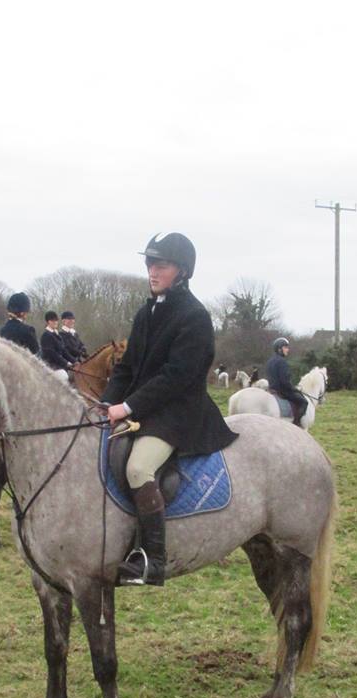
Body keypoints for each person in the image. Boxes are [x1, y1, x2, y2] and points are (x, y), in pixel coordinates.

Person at [101, 231, 237, 587]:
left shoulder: (195, 316)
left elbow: (177, 377)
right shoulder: (146, 312)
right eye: (150, 264)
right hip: (145, 409)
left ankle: (153, 561)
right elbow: (126, 368)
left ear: (182, 271)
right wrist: (106, 403)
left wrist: (128, 406)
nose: (152, 271)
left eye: (161, 265)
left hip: (179, 413)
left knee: (138, 468)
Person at [265, 337, 307, 426]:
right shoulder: (282, 362)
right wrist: (294, 389)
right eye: (285, 347)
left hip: (271, 389)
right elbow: (284, 381)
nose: (288, 350)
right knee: (304, 402)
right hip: (282, 391)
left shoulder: (270, 361)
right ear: (279, 349)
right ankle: (296, 423)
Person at [40, 310, 76, 381]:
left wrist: (74, 361)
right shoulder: (46, 335)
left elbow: (64, 351)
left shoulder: (57, 335)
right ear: (48, 322)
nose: (56, 322)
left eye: (56, 320)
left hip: (60, 366)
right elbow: (52, 354)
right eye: (53, 321)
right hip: (51, 367)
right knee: (64, 376)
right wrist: (66, 363)